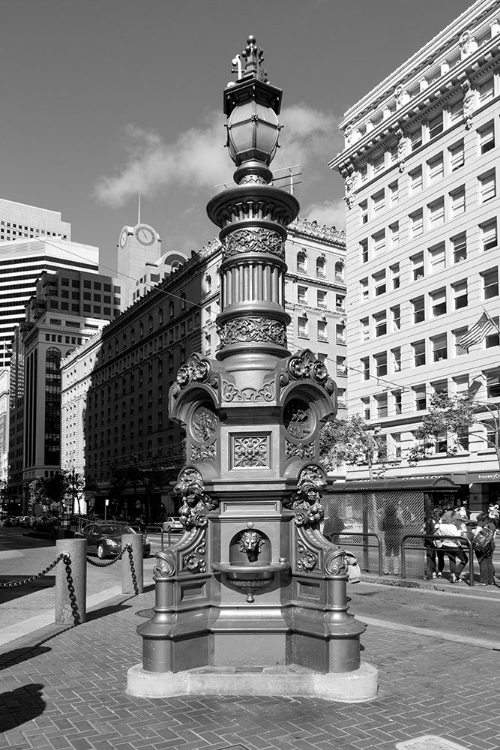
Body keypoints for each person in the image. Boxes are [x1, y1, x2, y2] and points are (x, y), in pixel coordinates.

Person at [436, 510, 468, 583]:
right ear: (452, 518)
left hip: (445, 544)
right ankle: (456, 575)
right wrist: (461, 531)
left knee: (452, 559)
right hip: (454, 545)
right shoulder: (452, 526)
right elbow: (456, 536)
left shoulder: (441, 525)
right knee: (464, 559)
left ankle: (452, 575)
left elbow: (440, 535)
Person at [473, 508, 498, 586]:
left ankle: (483, 581)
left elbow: (476, 535)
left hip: (481, 545)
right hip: (491, 545)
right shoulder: (492, 524)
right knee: (489, 562)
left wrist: (473, 533)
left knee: (482, 562)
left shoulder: (481, 524)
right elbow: (493, 536)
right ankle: (491, 580)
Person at [380, 501, 404, 575]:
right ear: (394, 511)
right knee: (396, 553)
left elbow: (382, 528)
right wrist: (400, 518)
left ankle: (386, 570)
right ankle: (396, 571)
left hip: (388, 536)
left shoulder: (385, 519)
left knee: (388, 552)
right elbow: (402, 526)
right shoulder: (396, 518)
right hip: (396, 536)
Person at [425, 507, 445, 580]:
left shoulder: (429, 521)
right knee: (440, 556)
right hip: (439, 540)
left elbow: (426, 530)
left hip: (431, 540)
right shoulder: (442, 521)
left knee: (432, 556)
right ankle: (439, 571)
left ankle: (434, 572)